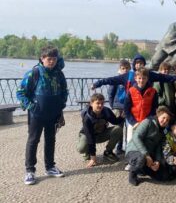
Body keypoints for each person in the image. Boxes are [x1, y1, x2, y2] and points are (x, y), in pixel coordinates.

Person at [17, 45, 68, 185]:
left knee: (51, 140)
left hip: (53, 114)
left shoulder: (59, 74)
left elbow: (65, 91)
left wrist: (61, 105)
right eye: (49, 59)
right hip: (36, 115)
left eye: (54, 59)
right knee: (33, 141)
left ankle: (50, 167)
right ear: (42, 58)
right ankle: (30, 171)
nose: (51, 61)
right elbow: (20, 93)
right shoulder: (33, 73)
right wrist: (32, 107)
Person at [125, 106, 173, 186]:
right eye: (163, 118)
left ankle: (142, 169)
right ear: (158, 116)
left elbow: (158, 147)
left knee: (164, 176)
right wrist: (146, 155)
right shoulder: (148, 122)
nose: (165, 121)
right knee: (141, 158)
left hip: (149, 156)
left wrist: (157, 161)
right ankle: (132, 173)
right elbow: (136, 137)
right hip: (134, 151)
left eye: (167, 120)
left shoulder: (162, 132)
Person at [77, 93, 124, 167]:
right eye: (97, 103)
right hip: (87, 135)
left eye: (102, 103)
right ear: (91, 104)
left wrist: (121, 117)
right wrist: (93, 158)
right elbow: (90, 137)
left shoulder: (106, 111)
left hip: (101, 134)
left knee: (118, 129)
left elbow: (115, 121)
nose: (100, 106)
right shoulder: (87, 118)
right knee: (81, 149)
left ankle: (108, 152)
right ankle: (88, 151)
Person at [123, 68, 159, 144]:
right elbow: (126, 109)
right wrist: (133, 122)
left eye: (144, 78)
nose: (141, 80)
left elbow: (154, 108)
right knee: (130, 141)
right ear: (135, 78)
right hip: (133, 121)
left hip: (146, 121)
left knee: (144, 142)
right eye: (139, 78)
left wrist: (147, 120)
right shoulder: (131, 91)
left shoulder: (153, 91)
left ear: (147, 79)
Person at [107, 59, 131, 154]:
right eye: (123, 68)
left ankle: (128, 148)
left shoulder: (131, 80)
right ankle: (118, 147)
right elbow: (110, 93)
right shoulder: (116, 80)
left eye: (127, 68)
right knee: (118, 129)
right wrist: (113, 105)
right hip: (118, 108)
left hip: (129, 109)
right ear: (119, 70)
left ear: (130, 69)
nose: (125, 70)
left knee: (129, 129)